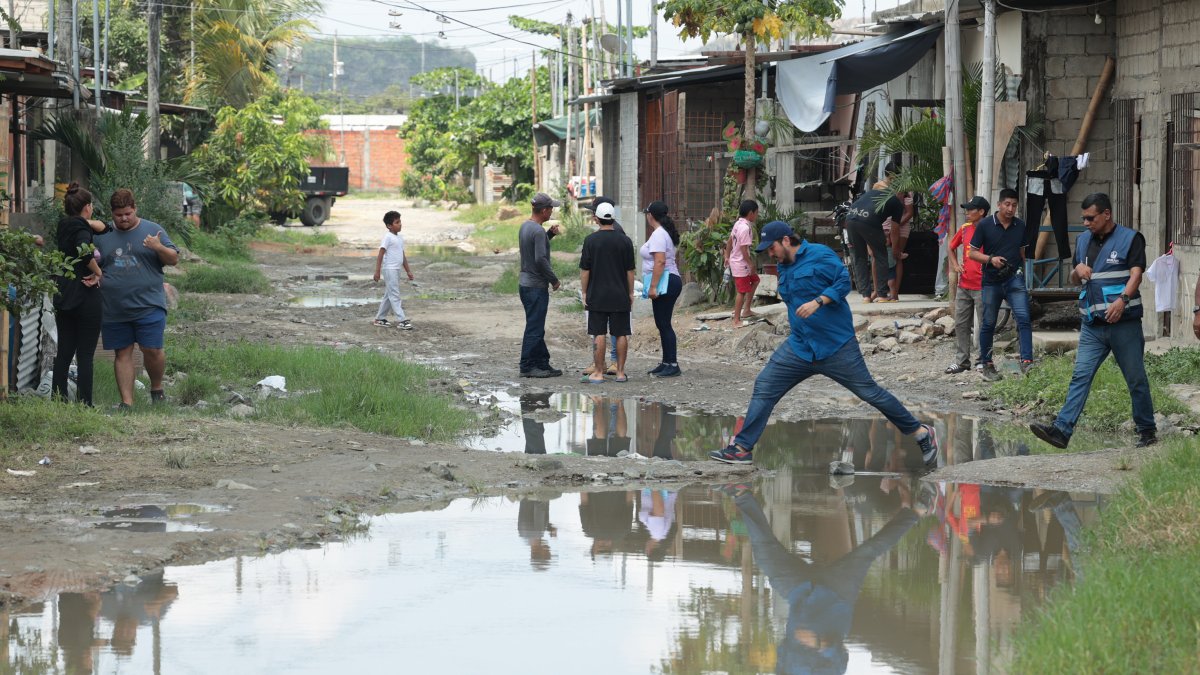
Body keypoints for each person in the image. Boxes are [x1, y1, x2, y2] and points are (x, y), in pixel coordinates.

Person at [709, 221, 939, 467]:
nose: (770, 254)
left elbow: (842, 283)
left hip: (836, 346)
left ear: (786, 241)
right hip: (800, 347)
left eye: (772, 248)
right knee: (765, 385)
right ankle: (742, 448)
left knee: (870, 393)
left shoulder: (821, 254)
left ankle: (921, 433)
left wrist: (818, 301)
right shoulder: (783, 266)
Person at [719, 484, 921, 674]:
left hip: (799, 593)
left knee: (764, 555)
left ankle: (741, 494)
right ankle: (912, 513)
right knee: (868, 551)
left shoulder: (782, 670)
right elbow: (841, 657)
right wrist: (818, 642)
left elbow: (787, 642)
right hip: (837, 595)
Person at [1030, 193, 1156, 449]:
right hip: (1093, 325)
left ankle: (1147, 430)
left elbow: (1136, 275)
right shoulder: (1084, 240)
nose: (1086, 222)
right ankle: (1061, 431)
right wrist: (1077, 272)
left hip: (1124, 324)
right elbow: (1075, 279)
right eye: (1084, 218)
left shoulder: (1131, 239)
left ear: (1106, 214)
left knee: (1136, 379)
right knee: (1080, 376)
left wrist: (1122, 300)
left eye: (1090, 218)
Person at [95, 188, 179, 409]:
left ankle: (157, 389)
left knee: (152, 349)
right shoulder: (102, 235)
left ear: (135, 209)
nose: (123, 219)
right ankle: (127, 402)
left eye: (127, 214)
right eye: (118, 215)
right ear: (111, 213)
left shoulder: (153, 230)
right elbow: (92, 262)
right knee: (122, 352)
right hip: (114, 307)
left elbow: (173, 259)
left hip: (149, 304)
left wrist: (158, 246)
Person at [968, 187, 1035, 381]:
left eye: (1014, 205)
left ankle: (1027, 362)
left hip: (1014, 279)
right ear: (999, 204)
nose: (1010, 208)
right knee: (989, 322)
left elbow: (1022, 254)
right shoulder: (985, 225)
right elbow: (972, 253)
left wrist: (1023, 273)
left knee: (1023, 317)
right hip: (991, 281)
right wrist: (991, 259)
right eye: (1007, 204)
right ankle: (987, 364)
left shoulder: (1020, 226)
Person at [51, 182, 108, 406]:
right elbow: (85, 251)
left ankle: (59, 399)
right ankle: (85, 403)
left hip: (64, 291)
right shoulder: (82, 228)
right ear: (87, 207)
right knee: (85, 354)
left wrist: (85, 221)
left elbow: (105, 227)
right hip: (85, 291)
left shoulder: (65, 224)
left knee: (64, 351)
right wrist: (98, 271)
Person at [579, 201, 635, 383]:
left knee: (599, 333)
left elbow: (585, 270)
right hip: (620, 294)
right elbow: (630, 271)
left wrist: (585, 292)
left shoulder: (590, 241)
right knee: (620, 333)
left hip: (597, 294)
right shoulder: (625, 241)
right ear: (613, 218)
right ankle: (620, 373)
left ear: (597, 219)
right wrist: (631, 293)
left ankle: (598, 373)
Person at [518, 192, 564, 378]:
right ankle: (527, 366)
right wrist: (554, 279)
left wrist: (549, 235)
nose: (552, 210)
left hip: (525, 284)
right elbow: (540, 259)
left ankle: (542, 362)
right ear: (544, 210)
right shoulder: (537, 231)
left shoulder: (526, 226)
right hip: (535, 286)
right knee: (535, 328)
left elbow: (533, 248)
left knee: (536, 325)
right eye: (551, 208)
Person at [844, 167, 904, 302]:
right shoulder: (897, 203)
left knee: (859, 257)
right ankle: (882, 295)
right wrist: (895, 249)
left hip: (851, 218)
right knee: (881, 255)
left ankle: (865, 296)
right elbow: (895, 229)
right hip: (868, 221)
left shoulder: (873, 192)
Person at [944, 196, 989, 374]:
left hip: (983, 286)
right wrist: (955, 265)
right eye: (967, 209)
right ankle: (962, 361)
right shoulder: (964, 229)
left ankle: (983, 360)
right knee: (961, 323)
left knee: (985, 324)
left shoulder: (991, 229)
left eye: (971, 209)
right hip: (964, 285)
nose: (967, 212)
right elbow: (950, 246)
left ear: (981, 212)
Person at [641, 201, 683, 377]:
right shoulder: (661, 233)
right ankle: (666, 362)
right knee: (662, 323)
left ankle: (672, 364)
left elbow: (660, 261)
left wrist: (653, 287)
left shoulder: (659, 234)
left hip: (665, 281)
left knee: (664, 324)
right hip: (668, 280)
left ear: (651, 215)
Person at [372, 210, 414, 330]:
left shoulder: (400, 238)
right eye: (397, 222)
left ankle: (379, 319)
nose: (400, 224)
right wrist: (377, 271)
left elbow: (402, 256)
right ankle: (402, 320)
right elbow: (380, 254)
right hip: (389, 269)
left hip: (397, 269)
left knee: (389, 295)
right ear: (389, 225)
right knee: (395, 295)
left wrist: (408, 271)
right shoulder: (388, 237)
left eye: (400, 221)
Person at [724, 199, 761, 328]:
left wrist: (727, 256)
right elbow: (744, 250)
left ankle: (746, 310)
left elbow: (729, 241)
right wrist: (751, 264)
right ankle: (736, 320)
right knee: (741, 291)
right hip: (741, 263)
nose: (757, 215)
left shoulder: (738, 224)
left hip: (737, 261)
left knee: (756, 280)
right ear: (751, 213)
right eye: (756, 213)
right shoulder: (745, 228)